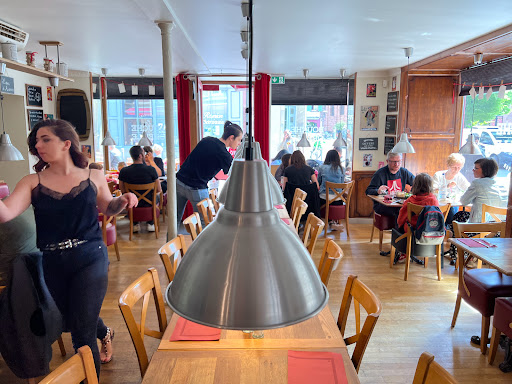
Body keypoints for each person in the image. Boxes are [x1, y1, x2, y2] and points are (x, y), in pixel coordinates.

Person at [0, 119, 138, 378]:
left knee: (81, 334)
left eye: (45, 139)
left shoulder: (92, 175)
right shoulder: (32, 181)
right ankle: (105, 332)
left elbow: (108, 206)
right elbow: (6, 212)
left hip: (91, 257)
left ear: (66, 143)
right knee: (73, 318)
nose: (38, 145)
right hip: (53, 262)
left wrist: (124, 199)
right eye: (36, 141)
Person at [176, 120, 243, 227]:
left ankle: (169, 243)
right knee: (205, 223)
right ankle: (203, 244)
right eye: (239, 140)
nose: (239, 144)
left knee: (175, 220)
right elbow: (234, 173)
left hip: (179, 182)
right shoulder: (224, 154)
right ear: (231, 137)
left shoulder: (207, 140)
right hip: (196, 188)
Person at [119, 146, 161, 233]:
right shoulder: (151, 170)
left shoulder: (124, 171)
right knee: (157, 197)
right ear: (141, 156)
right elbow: (158, 189)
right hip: (149, 203)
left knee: (129, 198)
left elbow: (122, 190)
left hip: (132, 203)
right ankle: (150, 223)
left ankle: (135, 224)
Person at [365, 152, 415, 221]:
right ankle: (398, 231)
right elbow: (368, 191)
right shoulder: (379, 174)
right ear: (387, 161)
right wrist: (378, 191)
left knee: (412, 210)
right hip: (383, 205)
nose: (397, 164)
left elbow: (416, 183)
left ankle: (405, 231)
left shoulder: (404, 172)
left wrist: (416, 189)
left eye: (399, 161)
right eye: (394, 162)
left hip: (399, 203)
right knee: (401, 211)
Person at [460, 157, 503, 223]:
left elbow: (463, 201)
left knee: (459, 216)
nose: (473, 170)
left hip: (480, 227)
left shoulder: (477, 183)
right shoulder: (500, 183)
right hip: (498, 227)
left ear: (485, 170)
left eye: (476, 168)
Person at [432, 153, 470, 223]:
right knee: (451, 213)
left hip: (453, 205)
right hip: (438, 205)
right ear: (448, 165)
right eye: (454, 167)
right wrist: (447, 186)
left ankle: (451, 229)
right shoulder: (439, 175)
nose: (456, 170)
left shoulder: (459, 177)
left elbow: (468, 189)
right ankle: (450, 229)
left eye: (459, 168)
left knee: (457, 213)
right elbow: (432, 190)